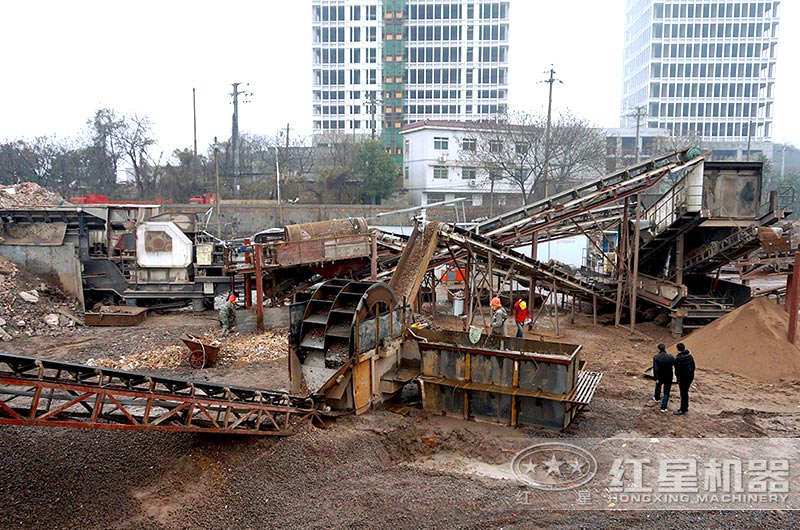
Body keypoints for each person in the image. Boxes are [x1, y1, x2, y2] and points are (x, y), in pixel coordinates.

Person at [673, 342, 696, 416]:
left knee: (683, 393)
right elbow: (693, 366)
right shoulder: (690, 356)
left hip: (683, 379)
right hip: (690, 377)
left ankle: (683, 409)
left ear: (677, 349)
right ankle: (685, 407)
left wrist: (678, 379)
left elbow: (678, 371)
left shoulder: (679, 359)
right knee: (685, 392)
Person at [652, 343, 675, 413]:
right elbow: (675, 365)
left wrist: (656, 378)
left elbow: (655, 369)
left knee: (658, 386)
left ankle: (657, 398)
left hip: (660, 376)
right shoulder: (671, 357)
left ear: (658, 349)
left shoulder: (656, 357)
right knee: (666, 392)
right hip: (668, 376)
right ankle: (663, 407)